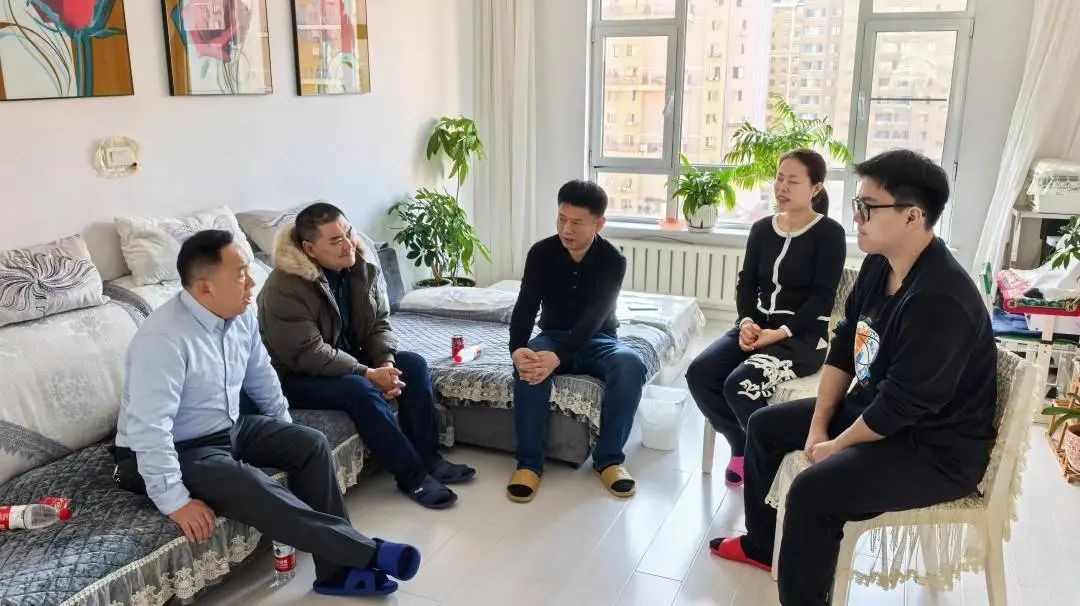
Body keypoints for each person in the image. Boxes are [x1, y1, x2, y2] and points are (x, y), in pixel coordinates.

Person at [709, 150, 998, 606]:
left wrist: (838, 445)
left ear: (912, 216)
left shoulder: (940, 299)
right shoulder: (879, 264)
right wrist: (819, 426)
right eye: (856, 205)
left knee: (813, 492)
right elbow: (845, 344)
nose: (856, 217)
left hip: (933, 449)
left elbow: (903, 404)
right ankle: (762, 547)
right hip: (877, 412)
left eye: (867, 207)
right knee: (764, 427)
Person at [113, 230, 418, 597]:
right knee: (249, 481)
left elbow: (261, 376)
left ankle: (334, 573)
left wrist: (284, 432)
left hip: (228, 427)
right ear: (205, 288)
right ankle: (366, 553)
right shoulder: (163, 339)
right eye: (241, 274)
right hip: (171, 449)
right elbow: (150, 428)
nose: (252, 282)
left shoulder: (239, 315)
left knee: (310, 444)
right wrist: (174, 501)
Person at [258, 202, 475, 511]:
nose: (349, 244)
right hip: (296, 375)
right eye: (336, 240)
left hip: (346, 359)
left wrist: (386, 364)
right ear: (309, 249)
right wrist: (368, 374)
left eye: (349, 233)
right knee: (359, 390)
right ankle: (412, 477)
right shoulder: (284, 287)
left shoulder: (361, 269)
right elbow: (308, 353)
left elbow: (378, 324)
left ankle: (429, 458)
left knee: (413, 365)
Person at [686, 149, 847, 487]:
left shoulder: (829, 233)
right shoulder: (761, 228)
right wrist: (746, 322)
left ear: (816, 188)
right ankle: (741, 444)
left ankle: (768, 465)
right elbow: (747, 284)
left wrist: (781, 332)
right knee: (699, 373)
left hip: (803, 337)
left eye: (793, 181)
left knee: (738, 387)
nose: (781, 187)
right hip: (756, 326)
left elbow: (822, 297)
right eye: (779, 178)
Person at [506, 179, 648, 503]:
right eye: (561, 219)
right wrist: (517, 349)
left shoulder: (613, 260)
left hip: (598, 339)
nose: (566, 229)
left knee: (631, 365)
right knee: (529, 366)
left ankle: (609, 460)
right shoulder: (541, 253)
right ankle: (528, 464)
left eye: (577, 222)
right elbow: (526, 305)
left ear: (599, 223)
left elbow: (596, 317)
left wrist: (559, 355)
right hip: (552, 336)